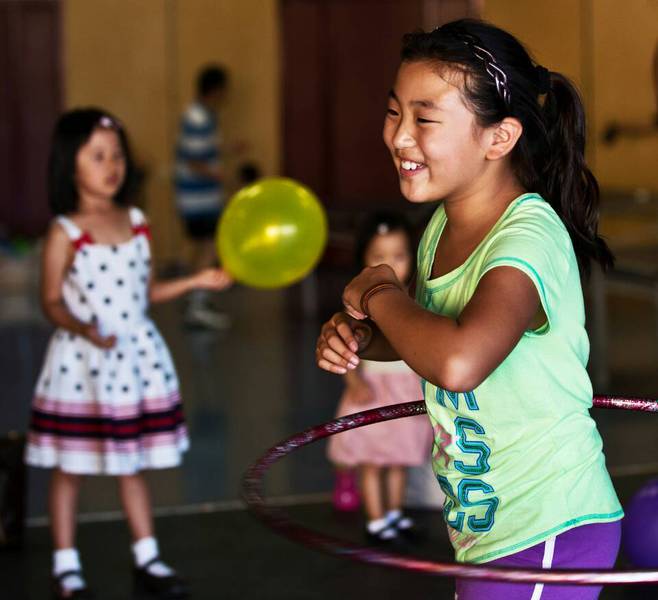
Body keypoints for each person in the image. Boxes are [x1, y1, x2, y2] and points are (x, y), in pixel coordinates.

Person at [315, 19, 623, 600]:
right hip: (488, 530)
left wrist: (380, 293)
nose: (399, 137)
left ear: (498, 138)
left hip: (547, 527)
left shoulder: (526, 237)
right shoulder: (440, 228)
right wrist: (363, 338)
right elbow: (432, 338)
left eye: (425, 119)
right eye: (393, 113)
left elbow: (459, 362)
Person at [25, 108, 232, 599]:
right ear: (69, 164)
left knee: (130, 462)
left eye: (117, 155)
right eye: (97, 156)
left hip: (134, 358)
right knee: (70, 466)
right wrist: (82, 327)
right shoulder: (65, 231)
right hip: (83, 365)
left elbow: (146, 292)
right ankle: (65, 565)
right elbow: (50, 300)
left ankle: (147, 557)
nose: (112, 165)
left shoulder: (137, 222)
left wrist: (196, 281)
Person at [327, 212, 433, 539]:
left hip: (407, 391)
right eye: (379, 257)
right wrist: (354, 382)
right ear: (363, 260)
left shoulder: (415, 300)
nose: (389, 266)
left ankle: (395, 515)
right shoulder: (359, 305)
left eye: (399, 256)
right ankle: (376, 521)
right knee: (371, 462)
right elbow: (348, 351)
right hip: (373, 392)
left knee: (400, 460)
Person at [174, 64, 232, 330]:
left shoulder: (204, 115)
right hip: (197, 199)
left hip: (203, 197)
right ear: (216, 90)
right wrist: (220, 175)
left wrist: (228, 150)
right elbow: (194, 160)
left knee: (203, 248)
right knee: (209, 247)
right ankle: (196, 304)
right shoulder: (197, 117)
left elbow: (203, 151)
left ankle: (196, 299)